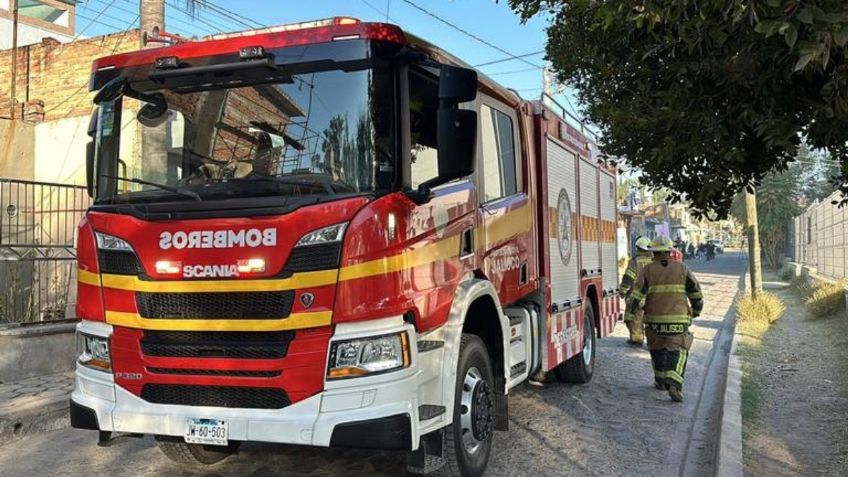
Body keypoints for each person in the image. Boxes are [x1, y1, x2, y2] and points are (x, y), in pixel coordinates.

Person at [627, 236, 703, 402]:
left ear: (653, 252)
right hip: (678, 319)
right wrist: (696, 310)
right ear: (670, 251)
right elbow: (696, 292)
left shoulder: (647, 270)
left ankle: (660, 381)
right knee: (680, 349)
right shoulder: (682, 268)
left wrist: (631, 315)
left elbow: (636, 296)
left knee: (657, 348)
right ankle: (674, 383)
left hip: (654, 320)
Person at [620, 236, 653, 345]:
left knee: (632, 318)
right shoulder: (654, 262)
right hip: (653, 299)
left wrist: (622, 291)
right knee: (650, 321)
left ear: (638, 248)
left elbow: (628, 279)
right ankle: (652, 341)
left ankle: (637, 339)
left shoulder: (635, 262)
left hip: (636, 299)